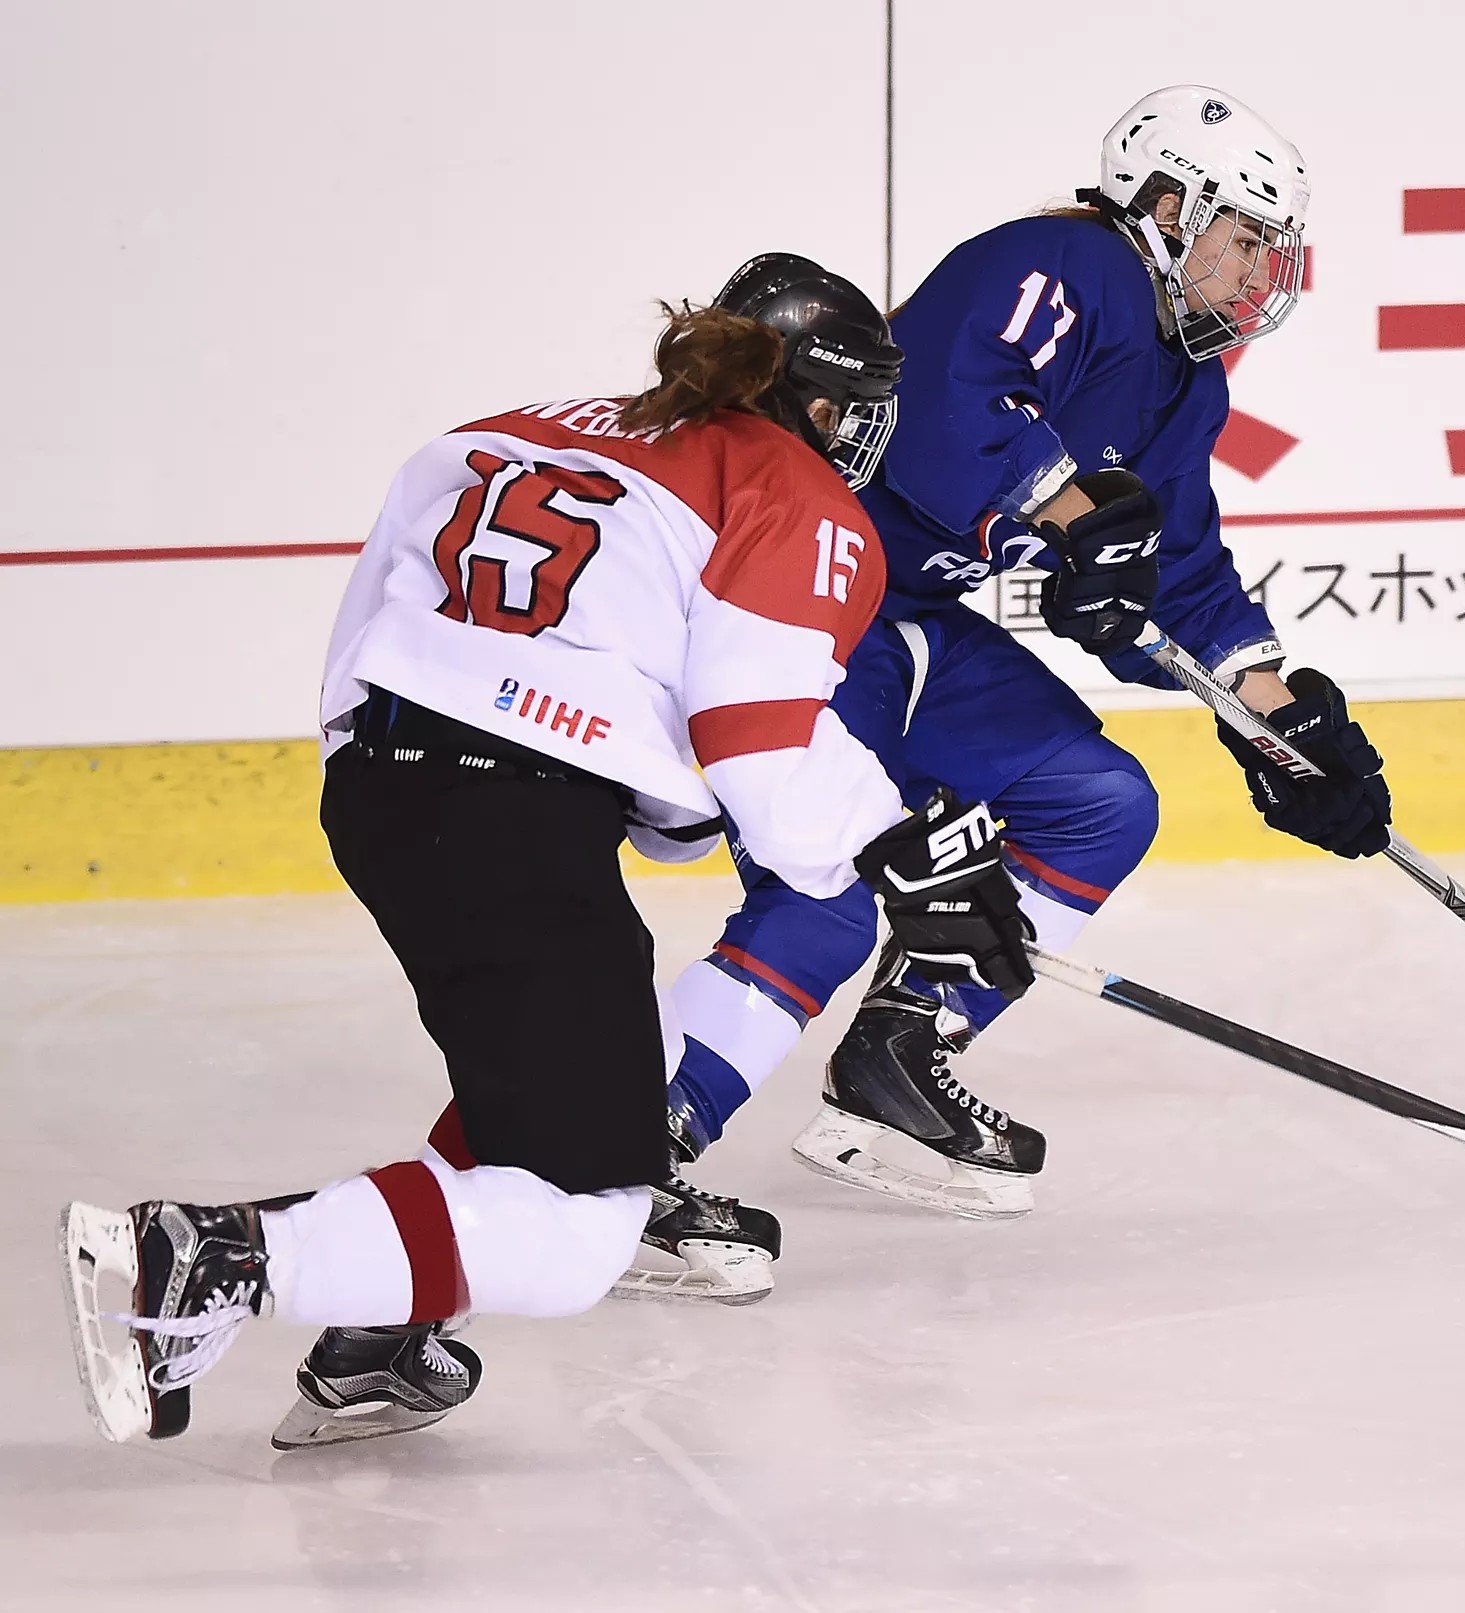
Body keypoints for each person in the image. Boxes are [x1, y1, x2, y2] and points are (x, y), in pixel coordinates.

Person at [58, 254, 1037, 1447]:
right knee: (582, 1227)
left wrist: (823, 830)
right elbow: (757, 742)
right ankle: (210, 1257)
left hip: (385, 791)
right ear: (825, 403)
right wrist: (899, 850)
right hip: (511, 821)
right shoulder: (793, 488)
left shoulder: (511, 429)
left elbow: (387, 625)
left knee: (575, 1075)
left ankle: (385, 1334)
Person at [660, 86, 1394, 1232]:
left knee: (1097, 802)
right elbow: (938, 406)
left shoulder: (1186, 377)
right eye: (1245, 238)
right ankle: (626, 1146)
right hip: (802, 609)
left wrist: (1274, 718)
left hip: (910, 623)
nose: (1261, 272)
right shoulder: (1062, 265)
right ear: (1168, 206)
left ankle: (900, 1052)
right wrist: (1068, 515)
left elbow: (1173, 560)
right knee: (822, 889)